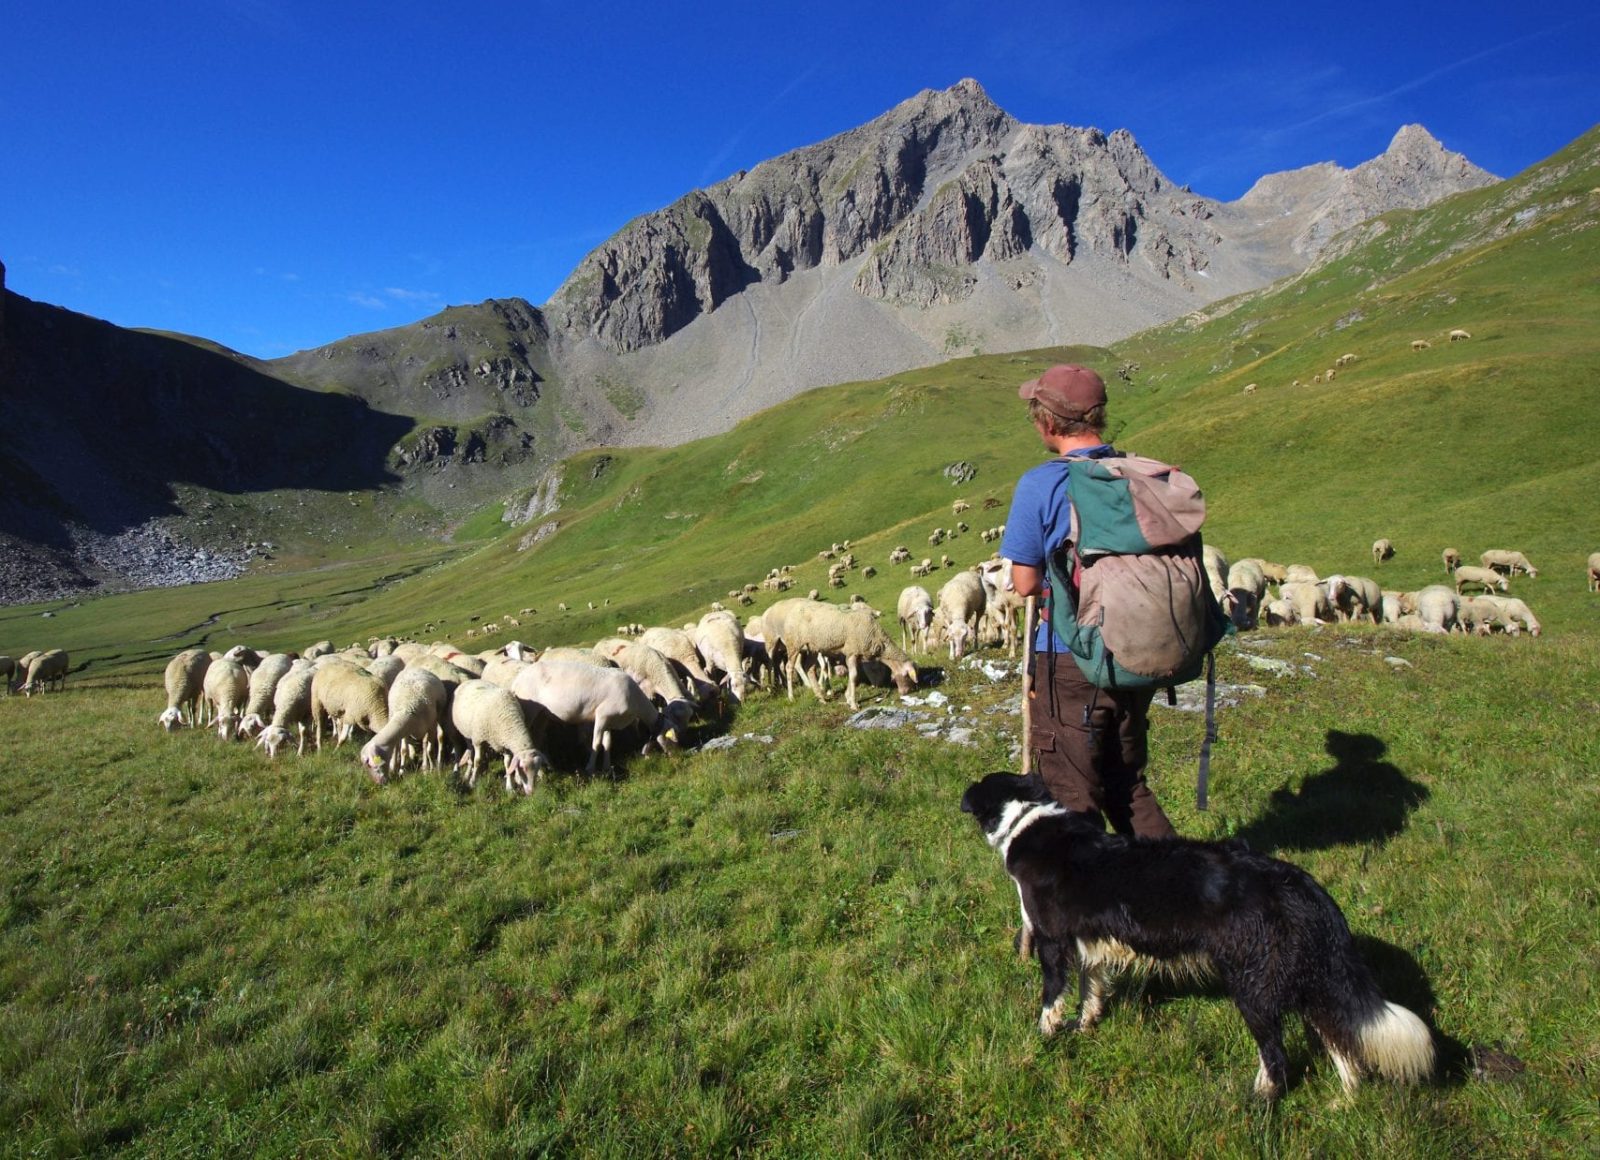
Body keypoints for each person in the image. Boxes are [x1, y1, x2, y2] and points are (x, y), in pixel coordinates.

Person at [999, 364, 1177, 839]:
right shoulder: (1130, 474)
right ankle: (1179, 894)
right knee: (1126, 784)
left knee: (1069, 794)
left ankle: (1083, 907)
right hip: (1136, 651)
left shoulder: (1043, 484)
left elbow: (1025, 582)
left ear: (1049, 423)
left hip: (1072, 659)